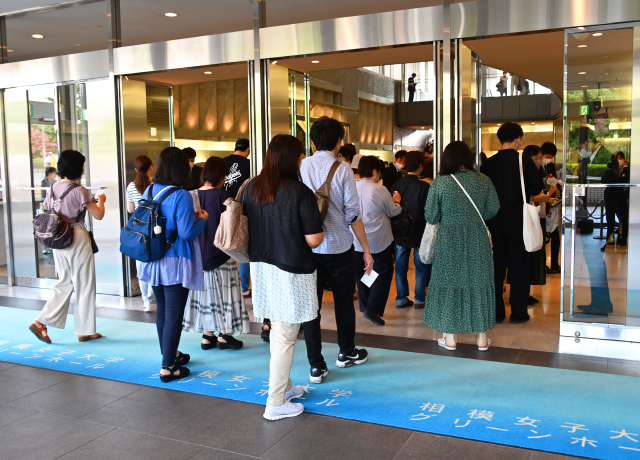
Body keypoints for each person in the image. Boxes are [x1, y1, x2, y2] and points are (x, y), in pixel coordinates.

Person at [242, 134, 323, 421]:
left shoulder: (252, 187)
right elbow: (314, 240)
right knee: (285, 336)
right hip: (292, 270)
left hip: (262, 269)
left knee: (278, 330)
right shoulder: (299, 192)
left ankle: (285, 388)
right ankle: (275, 402)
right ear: (293, 158)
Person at [300, 116, 373, 384]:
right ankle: (346, 352)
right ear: (339, 141)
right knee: (344, 301)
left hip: (309, 248)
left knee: (312, 307)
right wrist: (366, 249)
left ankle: (316, 366)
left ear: (313, 140)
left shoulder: (302, 166)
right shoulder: (343, 170)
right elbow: (353, 215)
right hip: (340, 247)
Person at [138, 147, 208, 383]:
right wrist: (203, 220)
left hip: (153, 259)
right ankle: (168, 367)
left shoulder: (148, 190)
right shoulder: (181, 196)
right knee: (174, 315)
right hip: (175, 262)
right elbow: (187, 233)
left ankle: (170, 354)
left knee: (163, 310)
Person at [424, 141, 499, 350]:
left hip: (448, 239)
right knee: (479, 280)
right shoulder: (484, 180)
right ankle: (482, 338)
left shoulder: (440, 183)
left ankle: (450, 338)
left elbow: (431, 215)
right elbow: (493, 209)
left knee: (449, 281)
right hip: (477, 238)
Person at [28, 150, 106, 344]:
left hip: (57, 236)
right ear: (78, 168)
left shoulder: (53, 187)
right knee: (84, 283)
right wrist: (101, 201)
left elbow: (50, 210)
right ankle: (84, 330)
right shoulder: (80, 191)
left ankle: (41, 322)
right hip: (76, 235)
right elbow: (98, 215)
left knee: (64, 281)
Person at [183, 156, 250, 350]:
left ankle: (207, 335)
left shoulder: (190, 195)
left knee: (204, 296)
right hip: (221, 254)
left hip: (197, 257)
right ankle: (225, 335)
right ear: (220, 175)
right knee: (225, 295)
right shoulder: (223, 196)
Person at [481, 122, 545, 324]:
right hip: (519, 222)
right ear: (517, 138)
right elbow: (537, 190)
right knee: (519, 267)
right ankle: (518, 313)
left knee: (497, 268)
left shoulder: (488, 164)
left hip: (495, 223)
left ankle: (497, 313)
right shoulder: (523, 160)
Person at [352, 156, 402, 325]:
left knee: (364, 272)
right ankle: (373, 309)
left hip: (356, 240)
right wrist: (397, 202)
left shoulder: (352, 187)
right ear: (375, 172)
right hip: (378, 240)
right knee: (383, 273)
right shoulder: (379, 189)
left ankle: (366, 306)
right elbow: (393, 212)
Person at [392, 151, 431, 309]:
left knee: (401, 267)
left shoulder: (396, 185)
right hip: (420, 232)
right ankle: (420, 299)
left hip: (400, 233)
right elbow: (428, 211)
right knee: (420, 267)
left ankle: (401, 298)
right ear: (421, 166)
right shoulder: (424, 186)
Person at [126, 155, 155, 311]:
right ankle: (153, 296)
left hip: (138, 229)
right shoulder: (155, 185)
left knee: (141, 265)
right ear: (151, 167)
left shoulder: (131, 186)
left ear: (136, 169)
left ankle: (146, 301)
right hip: (154, 228)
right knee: (154, 262)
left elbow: (130, 210)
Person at [223, 139, 252, 298]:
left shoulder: (222, 162)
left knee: (222, 245)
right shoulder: (249, 165)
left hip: (221, 208)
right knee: (243, 248)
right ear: (248, 149)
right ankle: (243, 287)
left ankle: (225, 285)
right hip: (241, 210)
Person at [541, 142, 561, 274]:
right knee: (544, 237)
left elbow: (553, 180)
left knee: (555, 236)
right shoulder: (536, 166)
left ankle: (554, 263)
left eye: (551, 157)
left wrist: (556, 185)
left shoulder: (550, 166)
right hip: (541, 204)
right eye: (547, 156)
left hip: (550, 204)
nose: (549, 159)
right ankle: (543, 265)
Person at [615, 151, 630, 246]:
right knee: (619, 215)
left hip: (624, 196)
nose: (619, 161)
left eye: (620, 159)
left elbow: (624, 179)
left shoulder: (627, 169)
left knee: (624, 217)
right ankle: (619, 232)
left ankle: (624, 236)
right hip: (616, 196)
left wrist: (625, 167)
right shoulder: (615, 169)